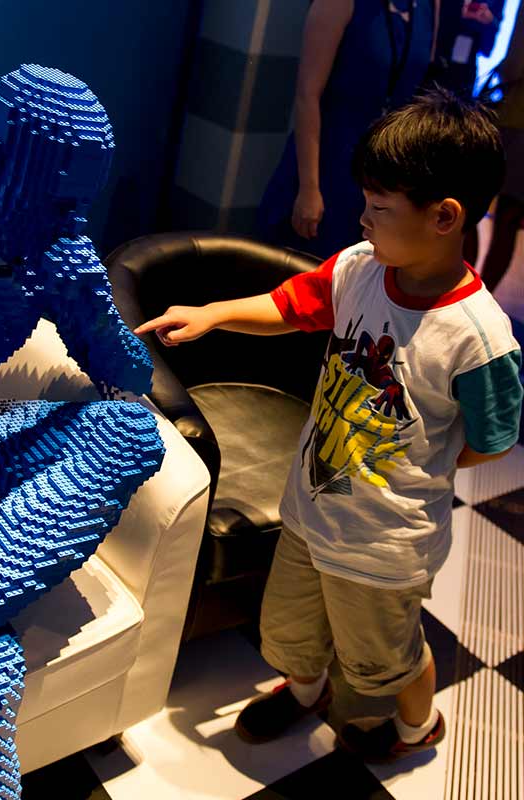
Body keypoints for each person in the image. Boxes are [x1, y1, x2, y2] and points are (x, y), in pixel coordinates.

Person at [135, 88, 523, 762]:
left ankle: (416, 725)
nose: (361, 218)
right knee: (288, 630)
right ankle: (305, 687)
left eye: (378, 207)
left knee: (384, 660)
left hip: (385, 548)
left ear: (445, 217)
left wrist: (421, 464)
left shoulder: (478, 337)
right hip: (311, 512)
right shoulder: (359, 270)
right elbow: (290, 305)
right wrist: (214, 313)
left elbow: (491, 441)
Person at [255, 0, 438, 259]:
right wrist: (309, 188)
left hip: (383, 172)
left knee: (357, 278)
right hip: (329, 161)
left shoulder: (429, 7)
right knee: (301, 269)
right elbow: (307, 96)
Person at [465, 0, 524, 294]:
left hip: (514, 119)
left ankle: (469, 293)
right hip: (514, 122)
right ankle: (480, 293)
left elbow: (512, 64)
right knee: (508, 221)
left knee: (468, 199)